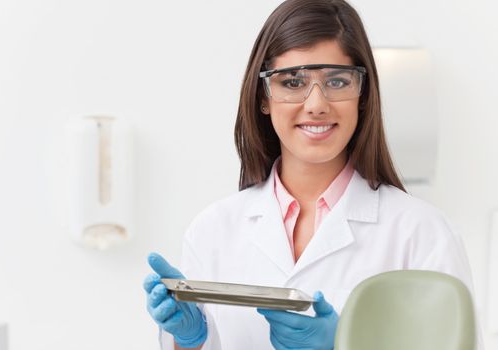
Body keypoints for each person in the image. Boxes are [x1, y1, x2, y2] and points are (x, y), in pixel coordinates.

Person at [143, 0, 482, 349]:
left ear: (362, 94)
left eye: (337, 81)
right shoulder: (213, 230)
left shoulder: (421, 233)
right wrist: (190, 338)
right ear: (264, 96)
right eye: (293, 82)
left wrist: (345, 343)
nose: (317, 103)